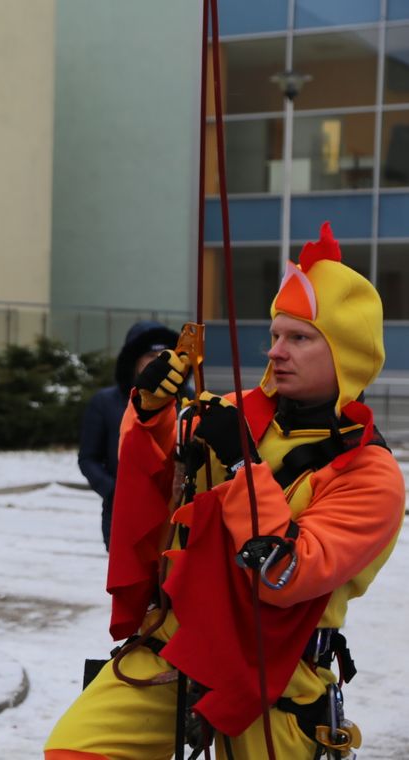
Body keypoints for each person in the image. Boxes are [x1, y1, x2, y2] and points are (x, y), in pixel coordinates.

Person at [45, 222, 404, 759]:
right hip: (177, 646)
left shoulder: (370, 476)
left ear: (346, 353)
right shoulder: (231, 412)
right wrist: (150, 417)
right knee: (76, 750)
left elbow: (287, 575)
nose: (277, 352)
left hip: (277, 674)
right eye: (276, 335)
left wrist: (241, 465)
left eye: (300, 338)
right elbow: (157, 487)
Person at [79, 321, 178, 551]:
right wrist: (115, 492)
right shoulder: (105, 403)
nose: (157, 363)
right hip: (122, 515)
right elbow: (88, 459)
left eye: (164, 356)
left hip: (172, 515)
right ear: (134, 361)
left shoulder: (187, 400)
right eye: (151, 356)